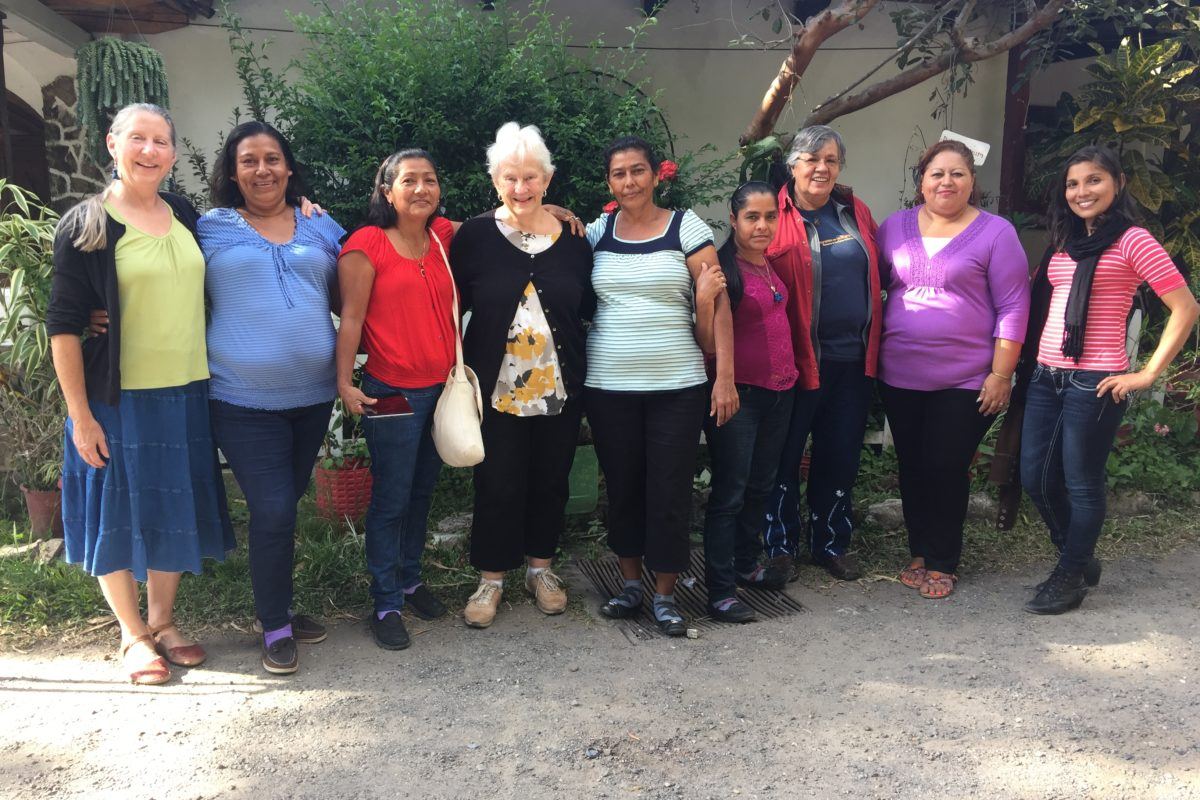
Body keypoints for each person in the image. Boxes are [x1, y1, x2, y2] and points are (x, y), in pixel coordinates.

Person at [47, 103, 235, 685]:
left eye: (160, 142)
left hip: (183, 391)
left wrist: (305, 209)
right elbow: (62, 326)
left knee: (171, 505)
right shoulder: (88, 224)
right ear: (112, 143)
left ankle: (163, 621)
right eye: (138, 139)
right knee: (118, 508)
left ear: (174, 154)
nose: (149, 151)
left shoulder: (181, 211)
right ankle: (132, 635)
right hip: (116, 398)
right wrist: (80, 416)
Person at [1019, 144, 1198, 614]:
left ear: (1118, 184)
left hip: (1096, 379)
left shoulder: (1134, 240)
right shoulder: (1065, 237)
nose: (1082, 191)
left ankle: (1070, 572)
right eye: (1073, 183)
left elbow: (1185, 307)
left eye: (1094, 180)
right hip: (1046, 374)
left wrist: (1148, 373)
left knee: (1082, 481)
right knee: (1034, 476)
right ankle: (1077, 555)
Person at [200, 121, 345, 674]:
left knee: (286, 505)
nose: (262, 170)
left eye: (272, 159)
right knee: (275, 507)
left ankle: (278, 605)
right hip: (239, 398)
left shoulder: (320, 225)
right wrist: (101, 311)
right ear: (233, 173)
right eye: (249, 161)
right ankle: (275, 624)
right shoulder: (210, 228)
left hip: (311, 396)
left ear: (289, 167)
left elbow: (357, 282)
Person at [586, 135, 737, 637]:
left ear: (656, 175)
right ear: (609, 183)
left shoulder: (685, 226)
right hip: (609, 385)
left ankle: (666, 594)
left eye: (637, 171)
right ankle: (631, 585)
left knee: (669, 491)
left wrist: (726, 379)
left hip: (677, 385)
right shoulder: (596, 232)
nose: (628, 181)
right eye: (618, 173)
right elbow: (541, 237)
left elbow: (718, 306)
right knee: (623, 486)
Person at [449, 122, 595, 628]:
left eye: (530, 177)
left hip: (559, 384)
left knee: (551, 479)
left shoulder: (575, 239)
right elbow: (448, 305)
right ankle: (491, 579)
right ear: (494, 180)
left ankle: (541, 570)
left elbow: (588, 307)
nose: (520, 188)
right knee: (498, 481)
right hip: (497, 387)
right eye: (509, 177)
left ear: (547, 180)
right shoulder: (472, 237)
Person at [876, 139, 1030, 599]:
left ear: (972, 182)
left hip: (965, 379)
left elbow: (1014, 305)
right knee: (913, 466)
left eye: (957, 173)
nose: (946, 181)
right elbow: (877, 287)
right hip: (899, 373)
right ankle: (919, 552)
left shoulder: (996, 233)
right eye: (937, 173)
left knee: (945, 465)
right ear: (921, 181)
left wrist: (1001, 374)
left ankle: (943, 559)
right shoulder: (893, 228)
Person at [336, 149, 456, 651]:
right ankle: (385, 600)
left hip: (444, 389)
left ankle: (410, 580)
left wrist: (555, 211)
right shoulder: (367, 244)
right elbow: (352, 319)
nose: (421, 188)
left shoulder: (442, 237)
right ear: (388, 190)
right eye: (409, 180)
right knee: (391, 499)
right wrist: (344, 383)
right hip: (393, 392)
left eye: (430, 179)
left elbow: (507, 217)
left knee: (423, 491)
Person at [760, 125, 883, 583]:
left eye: (830, 159)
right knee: (784, 455)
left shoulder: (853, 212)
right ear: (792, 165)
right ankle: (779, 547)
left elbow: (879, 269)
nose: (821, 167)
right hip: (791, 361)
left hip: (852, 360)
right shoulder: (771, 213)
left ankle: (831, 543)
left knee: (840, 453)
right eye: (811, 159)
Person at [702, 182, 797, 623]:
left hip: (781, 393)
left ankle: (746, 564)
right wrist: (725, 384)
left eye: (769, 217)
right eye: (752, 218)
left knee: (762, 486)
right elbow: (708, 340)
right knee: (730, 493)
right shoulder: (725, 270)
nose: (762, 226)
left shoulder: (771, 265)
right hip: (739, 396)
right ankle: (720, 590)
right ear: (734, 219)